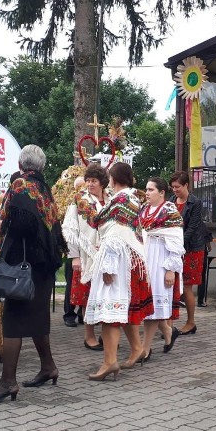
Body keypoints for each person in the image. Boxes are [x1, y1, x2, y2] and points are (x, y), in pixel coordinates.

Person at [0, 145, 62, 404]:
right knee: (37, 318)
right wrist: (5, 226)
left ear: (20, 162)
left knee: (13, 322)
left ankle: (7, 382)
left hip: (24, 266)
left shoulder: (20, 185)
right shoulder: (45, 190)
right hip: (44, 265)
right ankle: (48, 368)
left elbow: (23, 224)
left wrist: (2, 227)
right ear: (42, 166)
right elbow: (42, 226)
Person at [83, 162, 153, 380]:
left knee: (109, 312)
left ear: (113, 179)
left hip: (117, 262)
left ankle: (109, 362)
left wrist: (107, 266)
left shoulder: (122, 199)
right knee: (123, 307)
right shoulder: (132, 198)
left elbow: (115, 235)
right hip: (130, 261)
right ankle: (136, 348)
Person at [62, 167, 108, 350]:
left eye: (93, 181)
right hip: (86, 257)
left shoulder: (111, 200)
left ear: (102, 182)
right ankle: (89, 336)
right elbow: (70, 229)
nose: (89, 184)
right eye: (88, 180)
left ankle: (107, 335)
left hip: (107, 257)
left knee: (106, 296)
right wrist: (74, 257)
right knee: (87, 297)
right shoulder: (79, 200)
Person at [137, 177, 183, 360]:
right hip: (146, 257)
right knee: (152, 303)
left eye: (151, 190)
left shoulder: (169, 210)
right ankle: (169, 331)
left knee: (153, 305)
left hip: (161, 258)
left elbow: (177, 240)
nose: (146, 193)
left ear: (162, 193)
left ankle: (145, 348)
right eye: (146, 189)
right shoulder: (144, 209)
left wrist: (171, 268)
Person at [169, 171, 209, 334]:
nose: (175, 190)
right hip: (175, 248)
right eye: (172, 187)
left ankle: (191, 322)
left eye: (177, 187)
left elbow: (192, 227)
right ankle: (168, 324)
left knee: (186, 286)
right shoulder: (171, 201)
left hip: (192, 248)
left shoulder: (195, 202)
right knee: (173, 286)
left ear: (186, 185)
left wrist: (178, 244)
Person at [62, 176, 87, 328]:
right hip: (74, 251)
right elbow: (69, 232)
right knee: (71, 282)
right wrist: (73, 255)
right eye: (79, 187)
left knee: (85, 283)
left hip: (87, 251)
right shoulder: (73, 204)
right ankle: (69, 313)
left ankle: (82, 313)